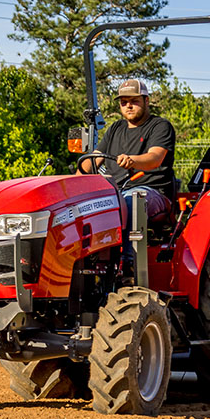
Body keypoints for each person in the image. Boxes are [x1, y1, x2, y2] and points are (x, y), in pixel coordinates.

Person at [79, 79, 176, 279]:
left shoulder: (160, 126)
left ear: (146, 101)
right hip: (117, 192)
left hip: (152, 193)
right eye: (124, 102)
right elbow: (94, 159)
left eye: (134, 100)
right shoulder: (116, 129)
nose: (129, 106)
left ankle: (128, 268)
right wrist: (72, 184)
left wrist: (132, 161)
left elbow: (154, 158)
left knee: (130, 201)